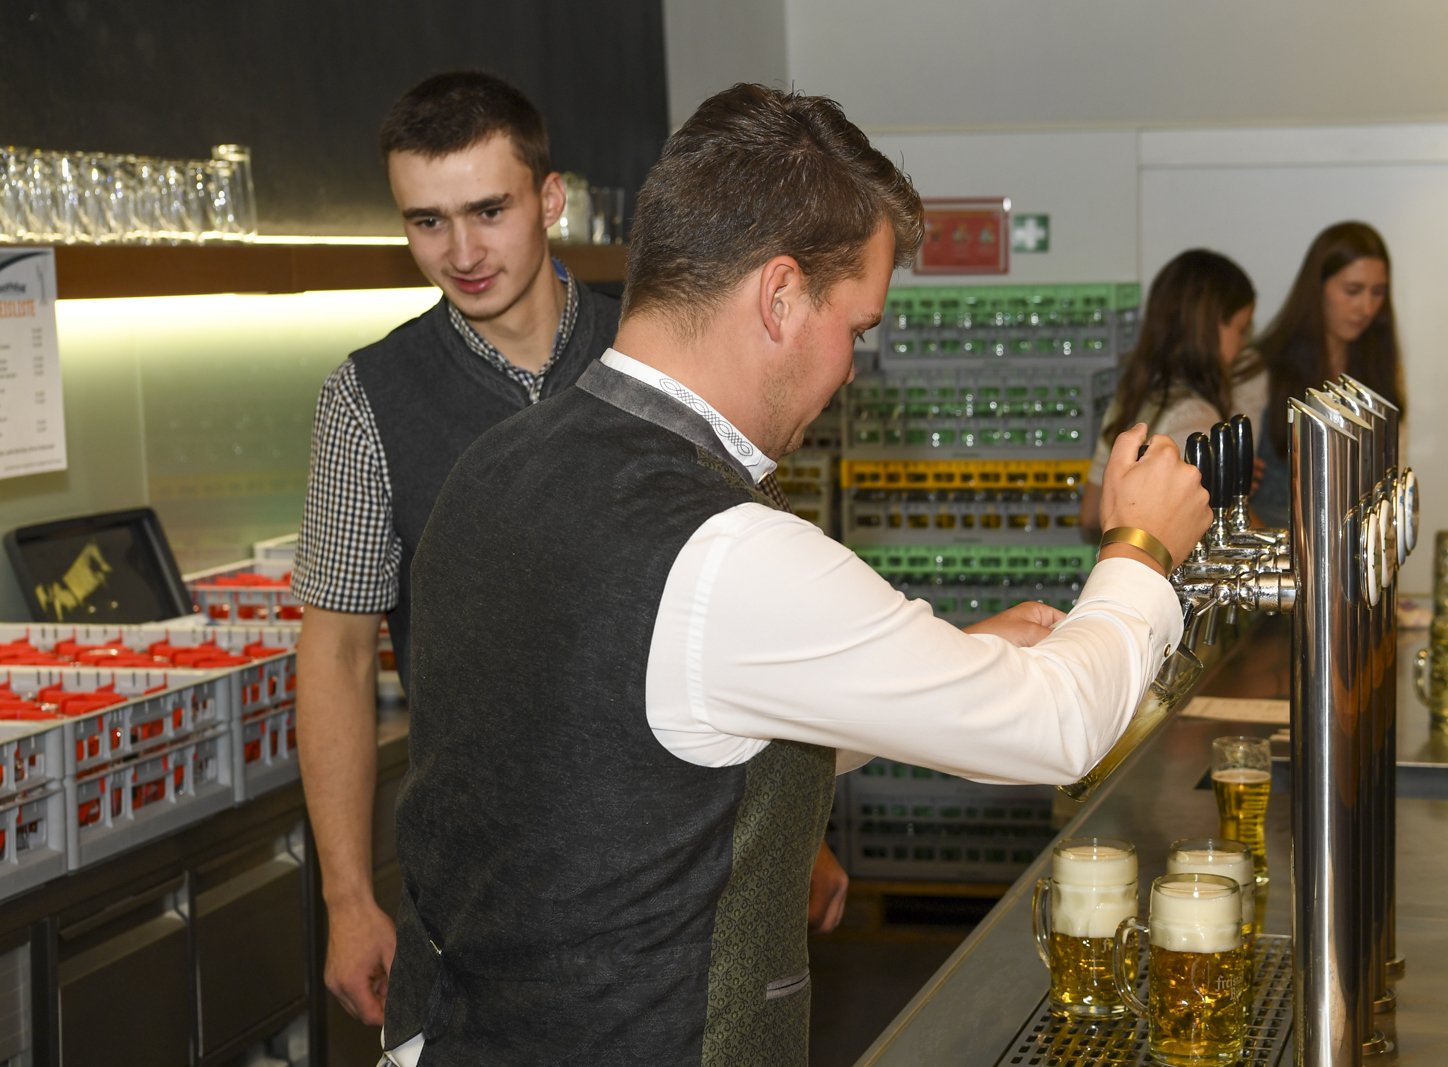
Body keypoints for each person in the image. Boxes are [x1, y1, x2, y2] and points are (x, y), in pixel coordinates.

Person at [382, 82, 1211, 1065]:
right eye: (855, 328)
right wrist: (1140, 547)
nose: (851, 369)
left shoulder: (493, 464)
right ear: (778, 296)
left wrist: (926, 670)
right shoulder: (722, 545)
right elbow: (1057, 724)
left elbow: (638, 739)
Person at [289, 71, 623, 1029]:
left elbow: (754, 604)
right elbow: (336, 652)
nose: (463, 253)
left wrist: (793, 828)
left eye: (488, 211)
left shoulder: (663, 350)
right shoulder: (367, 399)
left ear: (548, 199)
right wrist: (348, 896)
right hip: (475, 887)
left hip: (674, 854)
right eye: (427, 222)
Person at [1080, 248, 1264, 538]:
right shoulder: (1195, 417)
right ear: (1210, 327)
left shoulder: (1132, 396)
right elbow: (1232, 528)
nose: (1242, 344)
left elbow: (1091, 514)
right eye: (1241, 330)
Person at [1251, 220, 1407, 528]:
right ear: (1317, 288)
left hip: (1353, 546)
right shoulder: (1263, 368)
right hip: (1272, 545)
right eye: (1352, 291)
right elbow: (1231, 496)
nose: (1366, 307)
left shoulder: (1378, 366)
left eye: (1378, 293)